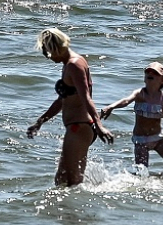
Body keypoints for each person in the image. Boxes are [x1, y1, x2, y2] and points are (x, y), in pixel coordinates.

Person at [25, 28, 113, 187]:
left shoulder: (74, 65)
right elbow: (62, 100)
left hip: (79, 127)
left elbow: (85, 96)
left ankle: (73, 211)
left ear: (55, 47)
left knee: (72, 182)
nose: (48, 57)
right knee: (62, 180)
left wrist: (100, 126)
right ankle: (71, 211)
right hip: (78, 128)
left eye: (48, 53)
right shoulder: (69, 64)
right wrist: (40, 121)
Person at [99, 62, 163, 171]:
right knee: (141, 175)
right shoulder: (140, 94)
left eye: (155, 73)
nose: (150, 74)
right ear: (144, 78)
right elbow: (126, 101)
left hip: (158, 139)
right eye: (148, 72)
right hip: (141, 141)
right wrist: (111, 107)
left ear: (162, 80)